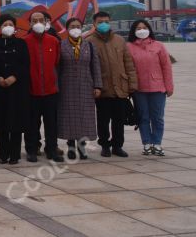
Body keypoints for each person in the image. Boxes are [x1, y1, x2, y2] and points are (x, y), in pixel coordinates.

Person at [87, 11, 138, 157]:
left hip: (120, 87)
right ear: (94, 24)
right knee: (103, 120)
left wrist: (132, 85)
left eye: (106, 21)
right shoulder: (89, 42)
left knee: (119, 120)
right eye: (100, 21)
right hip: (102, 88)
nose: (104, 24)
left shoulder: (119, 40)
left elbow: (128, 63)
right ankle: (104, 145)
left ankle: (117, 145)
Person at [127, 19, 173, 156]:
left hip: (158, 88)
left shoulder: (158, 46)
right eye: (138, 28)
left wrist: (169, 86)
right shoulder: (129, 47)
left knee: (157, 117)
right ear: (134, 32)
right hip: (139, 89)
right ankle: (146, 143)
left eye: (144, 27)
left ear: (149, 29)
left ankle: (157, 143)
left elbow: (166, 67)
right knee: (143, 117)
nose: (142, 30)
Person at [0, 14, 30, 165]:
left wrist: (14, 77)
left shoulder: (21, 44)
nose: (8, 27)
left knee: (16, 122)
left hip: (17, 88)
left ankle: (15, 155)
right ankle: (3, 155)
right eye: (5, 24)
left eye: (10, 24)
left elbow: (25, 64)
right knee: (2, 123)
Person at [57, 18, 102, 160]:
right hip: (66, 86)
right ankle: (70, 146)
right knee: (69, 117)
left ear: (82, 28)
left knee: (84, 117)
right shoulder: (61, 45)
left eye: (78, 26)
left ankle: (82, 147)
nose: (75, 28)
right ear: (67, 28)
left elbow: (95, 66)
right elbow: (57, 67)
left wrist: (97, 85)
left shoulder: (89, 45)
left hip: (85, 85)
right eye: (72, 26)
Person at [24, 11, 64, 163]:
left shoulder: (54, 41)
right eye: (35, 20)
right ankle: (32, 150)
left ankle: (52, 149)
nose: (38, 22)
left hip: (50, 90)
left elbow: (57, 64)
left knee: (51, 123)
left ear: (47, 22)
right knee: (32, 123)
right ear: (30, 23)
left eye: (41, 20)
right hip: (31, 91)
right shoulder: (25, 42)